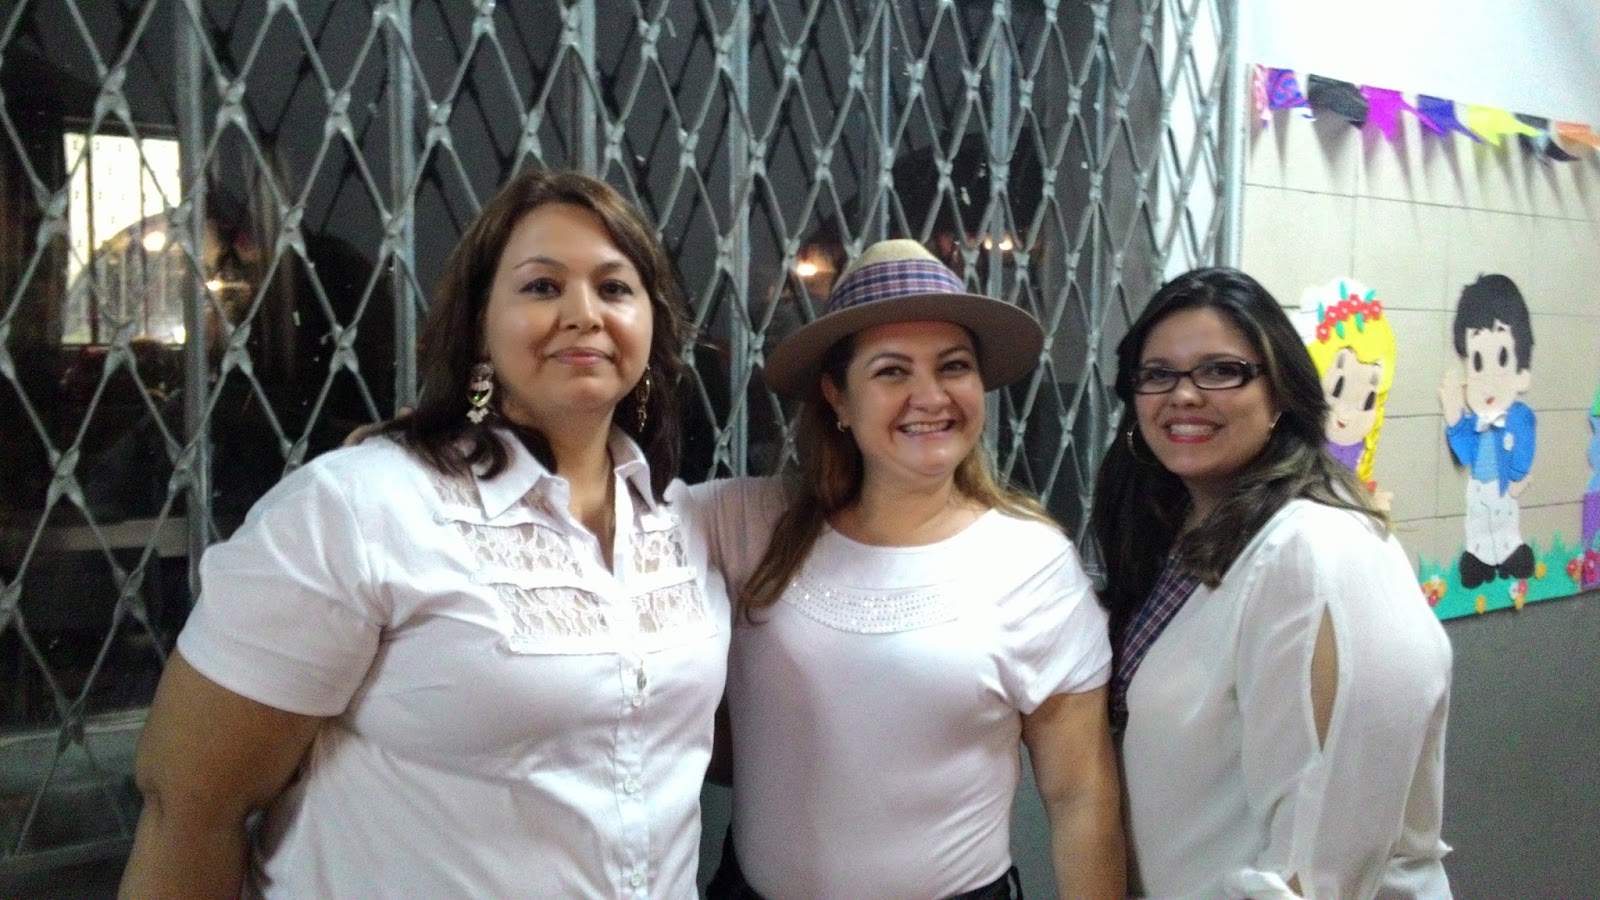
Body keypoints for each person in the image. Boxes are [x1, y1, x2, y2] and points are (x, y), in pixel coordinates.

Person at [119, 169, 730, 897]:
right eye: (541, 286)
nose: (583, 313)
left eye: (615, 288)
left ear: (651, 324)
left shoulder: (685, 525)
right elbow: (188, 807)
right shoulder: (361, 509)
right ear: (479, 326)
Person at [694, 239, 1125, 898]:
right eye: (892, 371)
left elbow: (1080, 796)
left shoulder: (1032, 563)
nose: (931, 396)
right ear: (838, 397)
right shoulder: (743, 523)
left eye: (954, 366)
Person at [1090, 267, 1453, 898]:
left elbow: (1316, 864)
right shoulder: (1181, 535)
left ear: (1281, 393)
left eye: (1221, 370)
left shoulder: (1316, 551)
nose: (1183, 395)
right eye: (1158, 374)